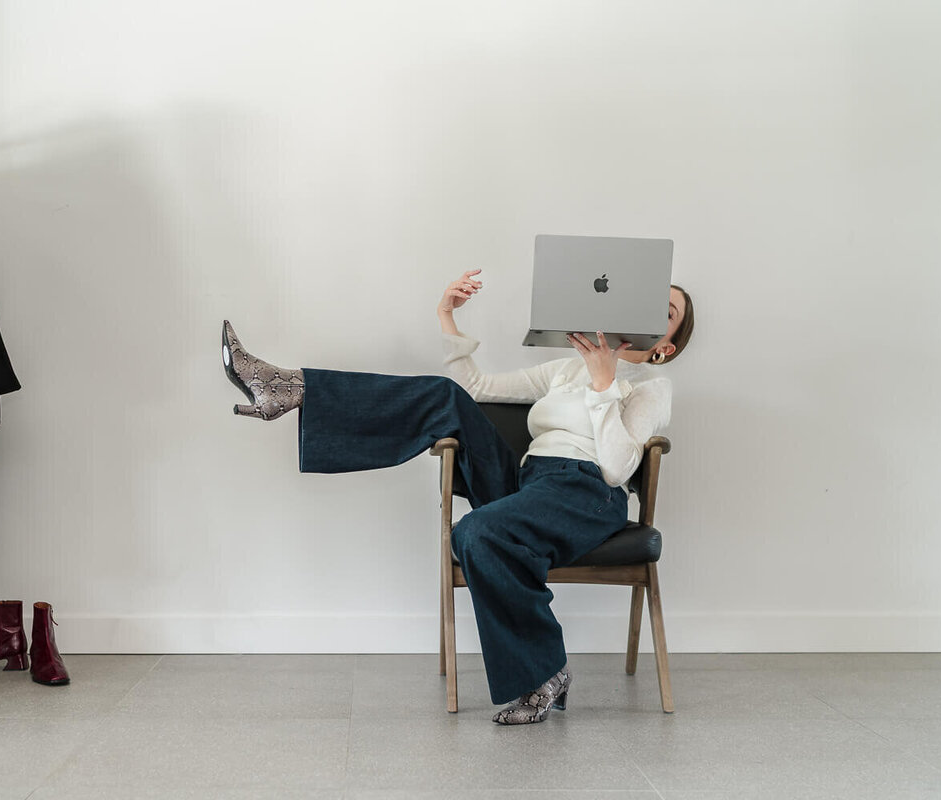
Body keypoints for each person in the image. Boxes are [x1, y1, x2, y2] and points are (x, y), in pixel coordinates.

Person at [220, 268, 694, 724]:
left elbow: (616, 467)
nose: (653, 306)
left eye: (666, 309)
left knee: (474, 534)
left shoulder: (652, 388)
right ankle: (289, 387)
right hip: (528, 482)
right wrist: (448, 315)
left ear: (665, 346)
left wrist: (604, 383)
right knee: (445, 396)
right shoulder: (564, 370)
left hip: (586, 490)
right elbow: (476, 389)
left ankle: (545, 671)